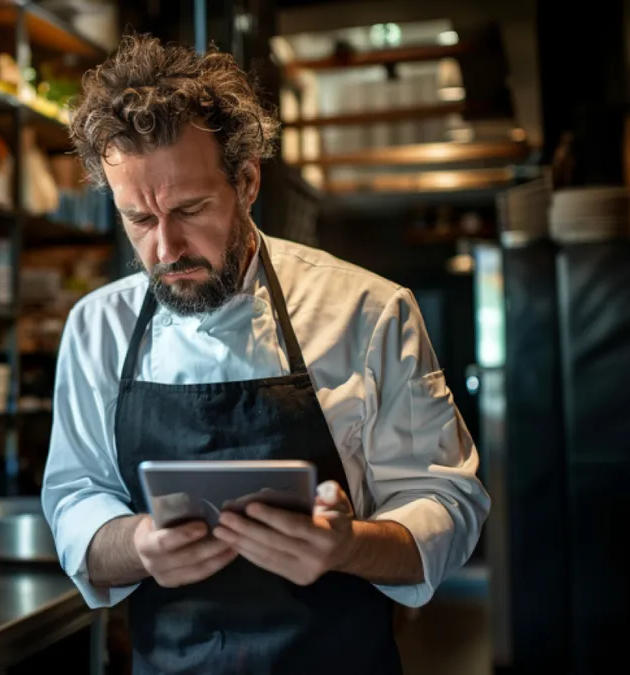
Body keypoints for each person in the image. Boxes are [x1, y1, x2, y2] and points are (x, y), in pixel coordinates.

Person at [41, 34, 490, 674]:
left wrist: (346, 546)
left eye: (190, 209)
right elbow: (76, 499)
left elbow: (449, 504)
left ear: (247, 181)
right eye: (138, 219)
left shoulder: (368, 312)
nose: (166, 248)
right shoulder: (97, 328)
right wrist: (139, 544)